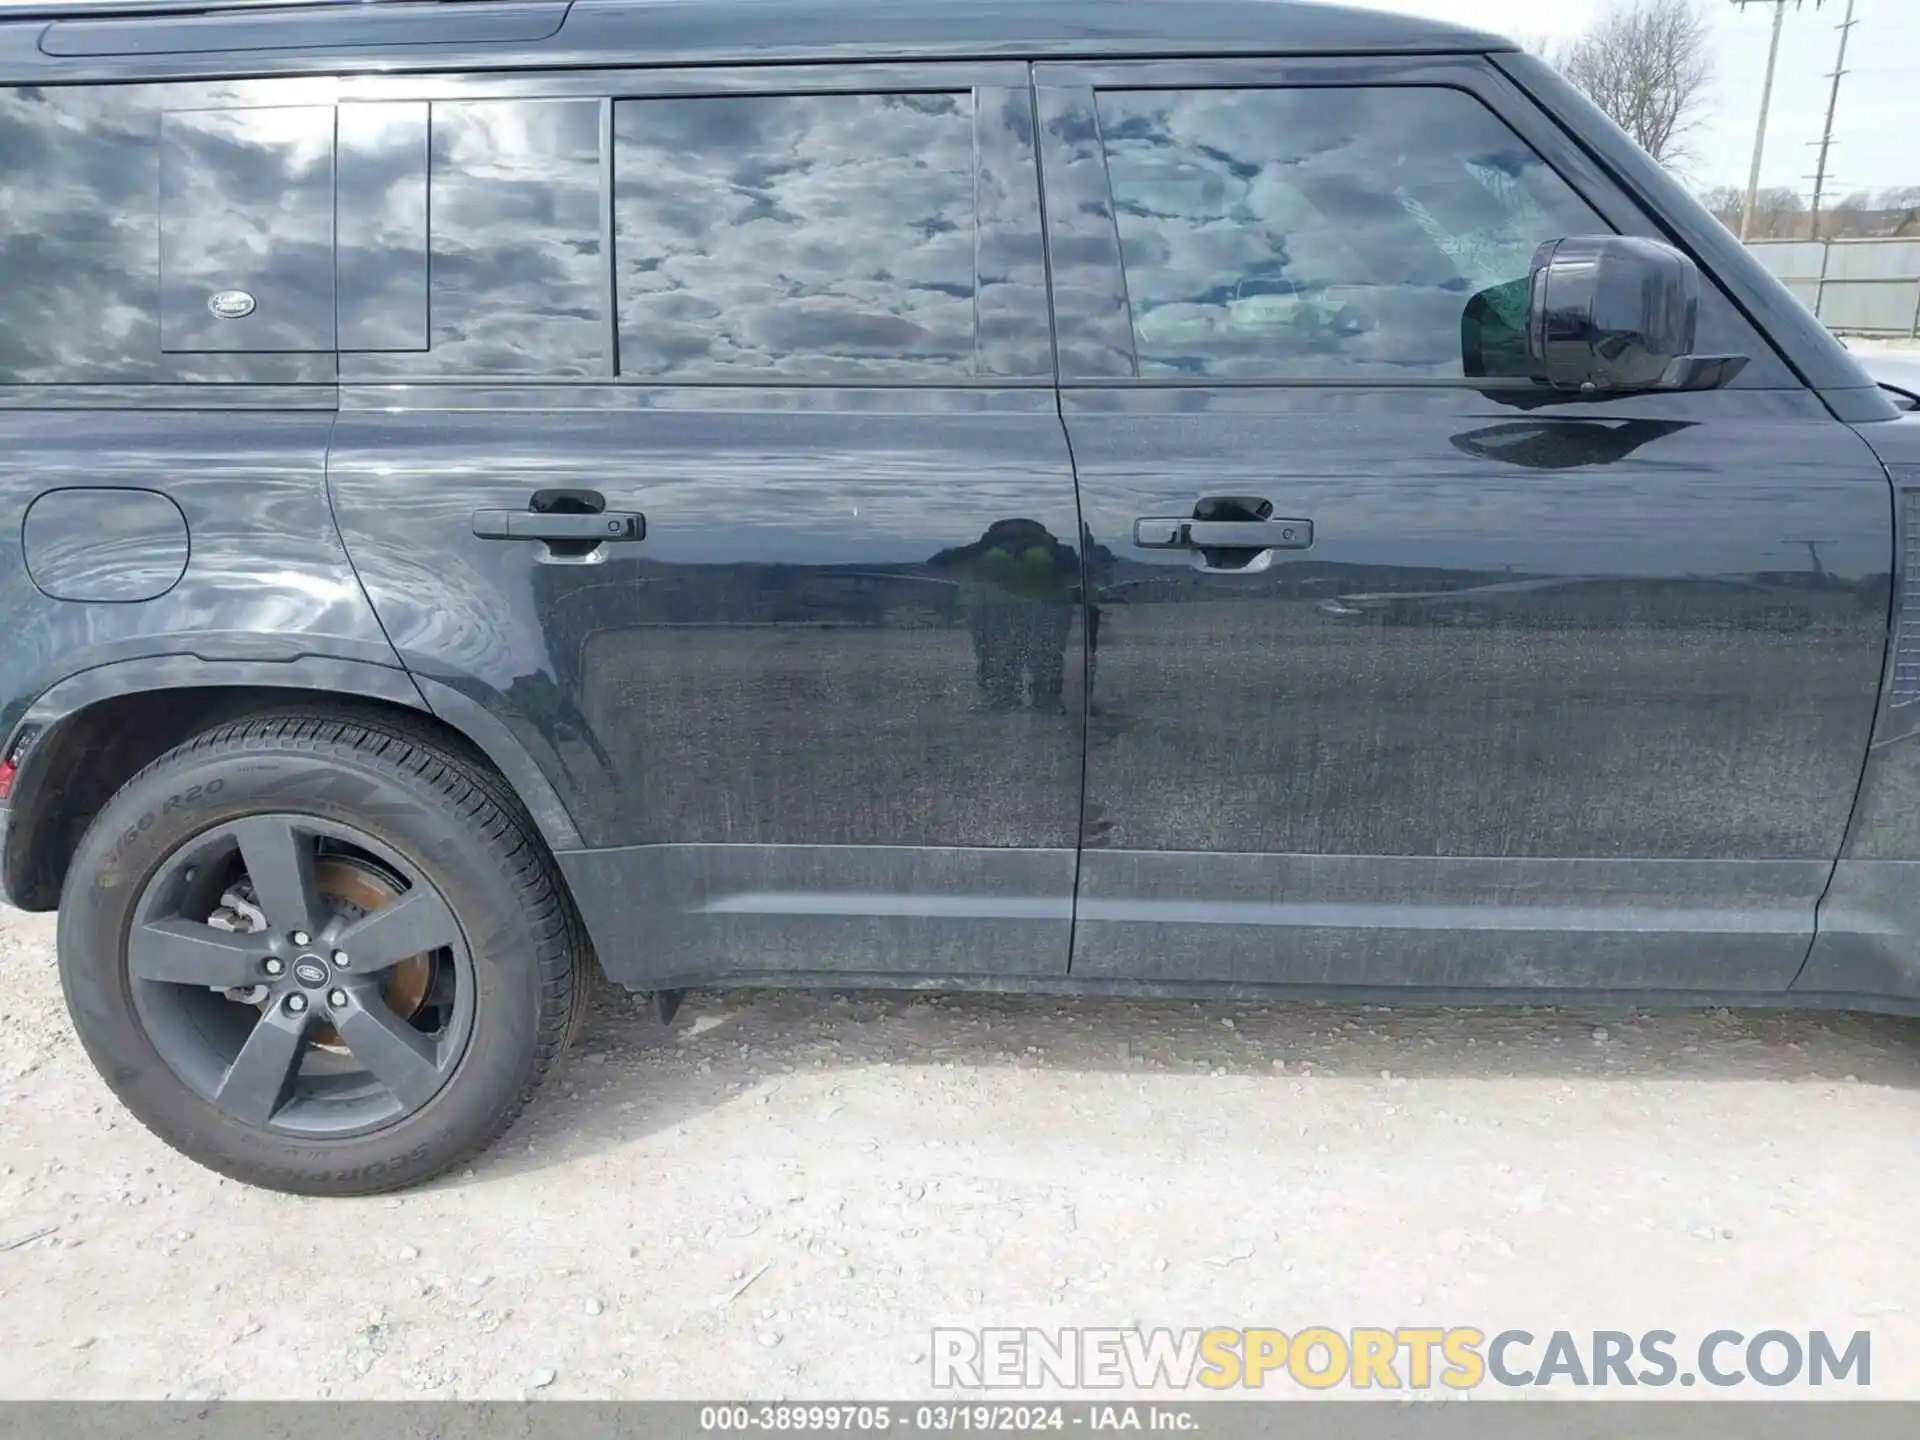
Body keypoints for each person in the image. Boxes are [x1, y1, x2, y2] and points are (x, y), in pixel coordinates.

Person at [929, 518, 1079, 713]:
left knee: (1042, 658)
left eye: (1025, 535)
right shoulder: (986, 551)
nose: (1017, 539)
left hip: (1036, 610)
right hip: (999, 611)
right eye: (1009, 535)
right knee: (1000, 658)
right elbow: (939, 562)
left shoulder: (1051, 551)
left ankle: (1039, 701)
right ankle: (1008, 699)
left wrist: (1052, 546)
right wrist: (981, 547)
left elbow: (1076, 569)